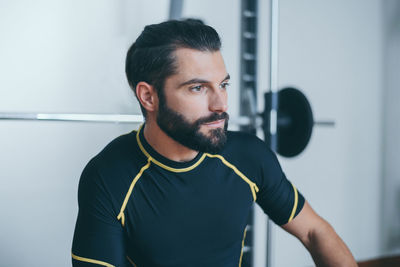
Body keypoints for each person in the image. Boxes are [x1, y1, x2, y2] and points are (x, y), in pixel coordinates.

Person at [71, 19, 357, 267]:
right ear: (149, 97)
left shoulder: (249, 156)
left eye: (223, 85)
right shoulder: (108, 176)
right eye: (198, 88)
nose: (221, 104)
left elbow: (314, 232)